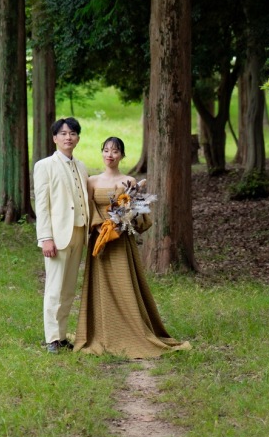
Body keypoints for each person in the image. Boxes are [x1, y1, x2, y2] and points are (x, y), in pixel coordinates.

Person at [74, 136, 188, 358]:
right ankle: (100, 331)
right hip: (99, 240)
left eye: (115, 151)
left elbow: (139, 214)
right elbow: (87, 209)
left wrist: (122, 221)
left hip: (120, 241)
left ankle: (130, 329)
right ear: (102, 153)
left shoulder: (130, 182)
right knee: (100, 285)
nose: (110, 155)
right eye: (106, 150)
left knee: (123, 282)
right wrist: (100, 226)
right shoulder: (92, 181)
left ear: (122, 155)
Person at [33, 116, 90, 353]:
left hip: (79, 232)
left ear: (77, 138)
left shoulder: (82, 166)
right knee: (54, 287)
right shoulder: (44, 165)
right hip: (57, 235)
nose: (69, 137)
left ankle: (62, 334)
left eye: (73, 133)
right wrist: (45, 237)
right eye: (64, 133)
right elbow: (42, 204)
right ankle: (51, 338)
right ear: (55, 138)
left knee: (68, 288)